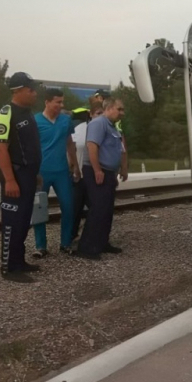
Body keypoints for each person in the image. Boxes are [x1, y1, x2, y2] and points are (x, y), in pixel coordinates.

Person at [0, 72, 43, 282]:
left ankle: (19, 261)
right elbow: (0, 149)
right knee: (12, 221)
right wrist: (10, 180)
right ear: (19, 90)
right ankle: (9, 268)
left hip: (29, 174)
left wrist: (35, 173)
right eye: (31, 90)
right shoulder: (6, 113)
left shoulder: (28, 113)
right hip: (15, 175)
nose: (35, 93)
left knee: (23, 220)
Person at [76, 97, 126, 260]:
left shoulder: (112, 127)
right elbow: (92, 147)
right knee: (98, 210)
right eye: (119, 109)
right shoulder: (99, 123)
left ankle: (102, 242)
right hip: (97, 171)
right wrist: (97, 170)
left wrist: (117, 170)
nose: (122, 113)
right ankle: (87, 247)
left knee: (106, 210)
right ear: (109, 108)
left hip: (108, 172)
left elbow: (118, 149)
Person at [32, 88, 80, 258]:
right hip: (41, 172)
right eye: (58, 102)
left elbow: (69, 144)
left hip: (61, 171)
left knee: (68, 206)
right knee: (39, 208)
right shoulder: (35, 121)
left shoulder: (66, 120)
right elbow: (30, 148)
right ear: (47, 102)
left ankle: (65, 243)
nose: (61, 105)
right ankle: (40, 245)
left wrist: (75, 165)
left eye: (62, 102)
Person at [70, 103, 103, 242]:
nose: (100, 116)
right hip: (79, 175)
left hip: (96, 175)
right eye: (98, 113)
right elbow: (71, 149)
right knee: (76, 207)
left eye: (103, 113)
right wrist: (72, 168)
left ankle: (94, 236)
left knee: (97, 207)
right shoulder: (80, 129)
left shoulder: (107, 129)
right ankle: (71, 236)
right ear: (91, 114)